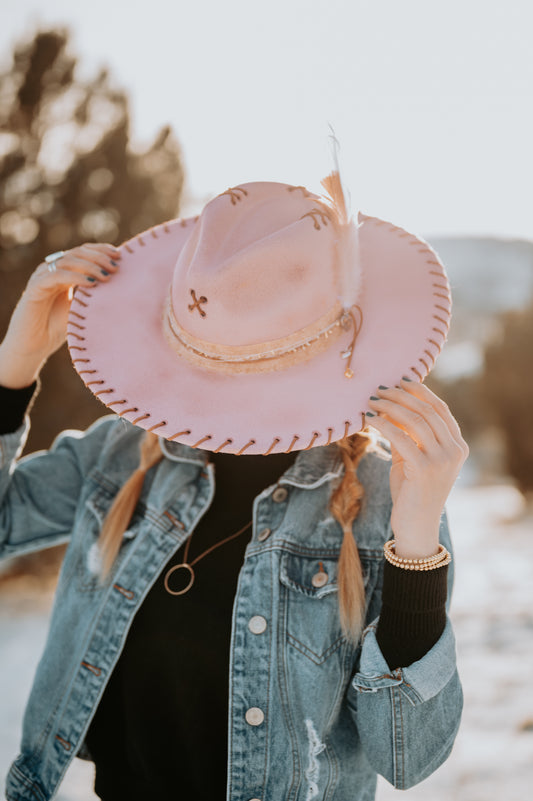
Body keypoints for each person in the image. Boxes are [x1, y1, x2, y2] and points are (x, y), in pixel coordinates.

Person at [0, 170, 468, 801]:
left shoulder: (386, 498)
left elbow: (409, 757)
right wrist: (14, 368)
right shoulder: (121, 455)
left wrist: (415, 544)